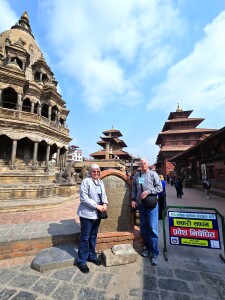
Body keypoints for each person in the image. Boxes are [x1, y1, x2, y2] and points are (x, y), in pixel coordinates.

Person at [77, 164, 108, 273]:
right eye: (93, 171)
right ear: (90, 172)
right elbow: (84, 198)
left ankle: (92, 255)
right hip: (87, 214)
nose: (96, 173)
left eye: (97, 171)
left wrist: (105, 204)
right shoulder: (86, 181)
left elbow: (103, 194)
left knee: (93, 235)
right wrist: (96, 205)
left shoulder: (100, 182)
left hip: (97, 214)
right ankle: (82, 261)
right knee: (85, 237)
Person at [131, 158, 162, 266]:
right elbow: (134, 188)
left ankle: (155, 253)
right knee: (143, 228)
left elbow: (160, 188)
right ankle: (147, 247)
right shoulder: (137, 175)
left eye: (144, 163)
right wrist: (133, 199)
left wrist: (148, 192)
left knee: (152, 228)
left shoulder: (153, 174)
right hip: (140, 205)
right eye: (141, 164)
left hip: (151, 205)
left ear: (148, 164)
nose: (143, 165)